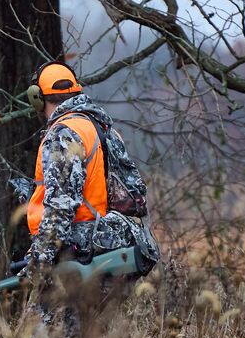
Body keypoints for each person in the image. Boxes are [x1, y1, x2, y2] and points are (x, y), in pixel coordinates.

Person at [15, 62, 158, 280]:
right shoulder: (101, 128)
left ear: (37, 98)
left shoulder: (63, 134)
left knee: (51, 314)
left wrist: (39, 260)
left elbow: (60, 206)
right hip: (111, 248)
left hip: (77, 256)